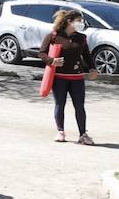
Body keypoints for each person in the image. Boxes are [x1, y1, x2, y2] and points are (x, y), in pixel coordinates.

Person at [39, 9, 95, 145]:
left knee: (79, 106)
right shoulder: (53, 36)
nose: (81, 23)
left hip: (77, 77)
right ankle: (60, 131)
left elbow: (86, 55)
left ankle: (83, 134)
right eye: (79, 21)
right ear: (70, 21)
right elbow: (41, 53)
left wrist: (92, 68)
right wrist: (52, 61)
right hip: (59, 77)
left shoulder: (81, 38)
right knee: (60, 104)